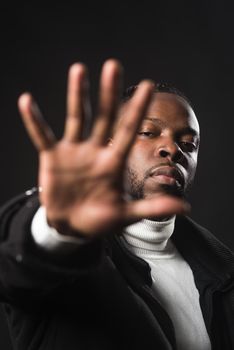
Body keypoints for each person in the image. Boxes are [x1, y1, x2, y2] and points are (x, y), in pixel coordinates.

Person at [0, 59, 233, 350]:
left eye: (188, 143)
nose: (172, 149)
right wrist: (56, 229)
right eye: (148, 132)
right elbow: (13, 271)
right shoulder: (69, 263)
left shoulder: (221, 270)